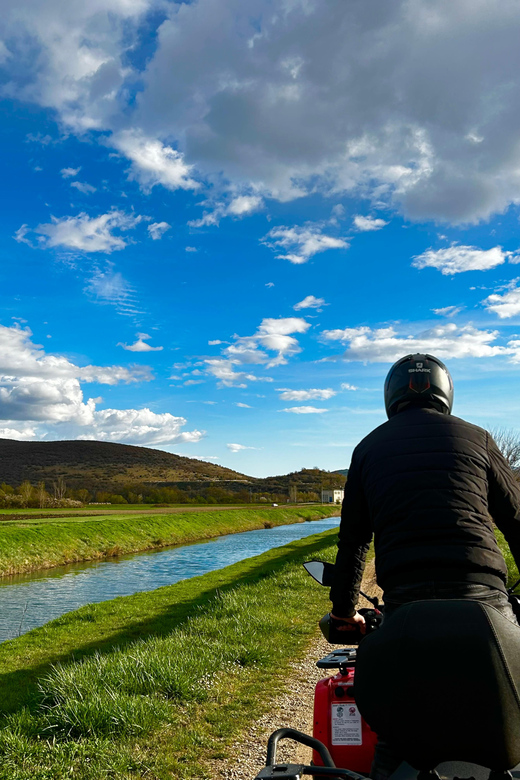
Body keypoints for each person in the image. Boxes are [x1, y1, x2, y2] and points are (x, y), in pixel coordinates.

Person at [328, 352, 520, 780]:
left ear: (391, 396)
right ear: (446, 392)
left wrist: (343, 612)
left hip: (406, 607)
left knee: (394, 742)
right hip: (487, 601)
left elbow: (354, 542)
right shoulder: (479, 439)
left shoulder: (368, 448)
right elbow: (518, 525)